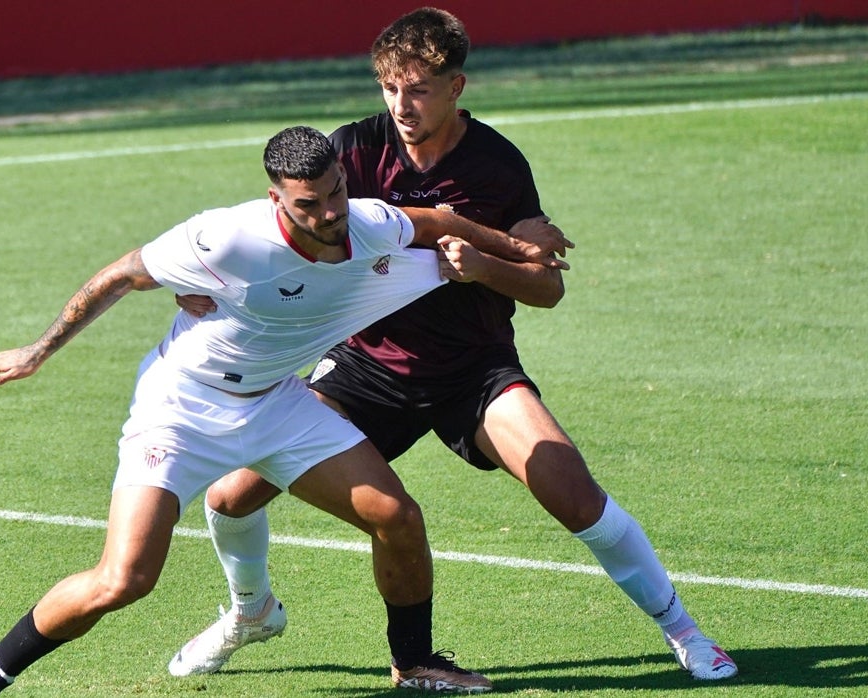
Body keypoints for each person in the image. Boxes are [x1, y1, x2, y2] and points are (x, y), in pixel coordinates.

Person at [167, 7, 738, 685]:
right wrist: (206, 284)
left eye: (418, 91)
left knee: (573, 492)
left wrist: (485, 268)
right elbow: (279, 230)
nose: (401, 107)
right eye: (389, 90)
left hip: (474, 369)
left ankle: (685, 631)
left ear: (456, 87)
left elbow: (547, 289)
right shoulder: (354, 150)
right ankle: (250, 610)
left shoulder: (497, 167)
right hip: (367, 366)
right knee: (231, 495)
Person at [0, 125, 570, 697]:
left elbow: (434, 221)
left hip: (276, 404)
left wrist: (517, 251)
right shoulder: (226, 239)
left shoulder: (368, 221)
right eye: (308, 204)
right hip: (181, 410)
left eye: (334, 193)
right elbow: (122, 275)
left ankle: (415, 662)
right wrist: (37, 350)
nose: (328, 214)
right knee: (124, 578)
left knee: (397, 516)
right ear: (276, 200)